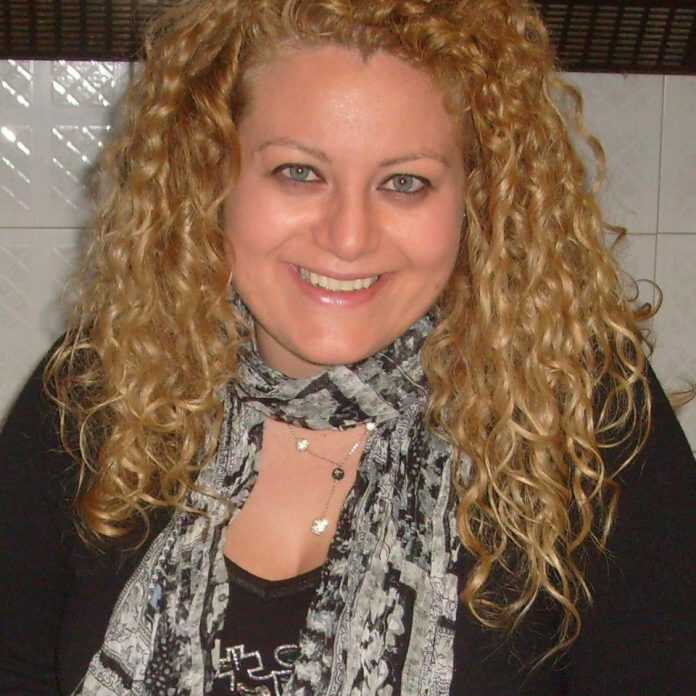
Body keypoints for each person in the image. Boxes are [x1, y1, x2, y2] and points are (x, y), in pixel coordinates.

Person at [1, 0, 695, 694]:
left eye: (405, 183)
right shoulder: (100, 388)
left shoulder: (578, 412)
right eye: (299, 172)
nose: (349, 236)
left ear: (475, 197)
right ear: (211, 173)